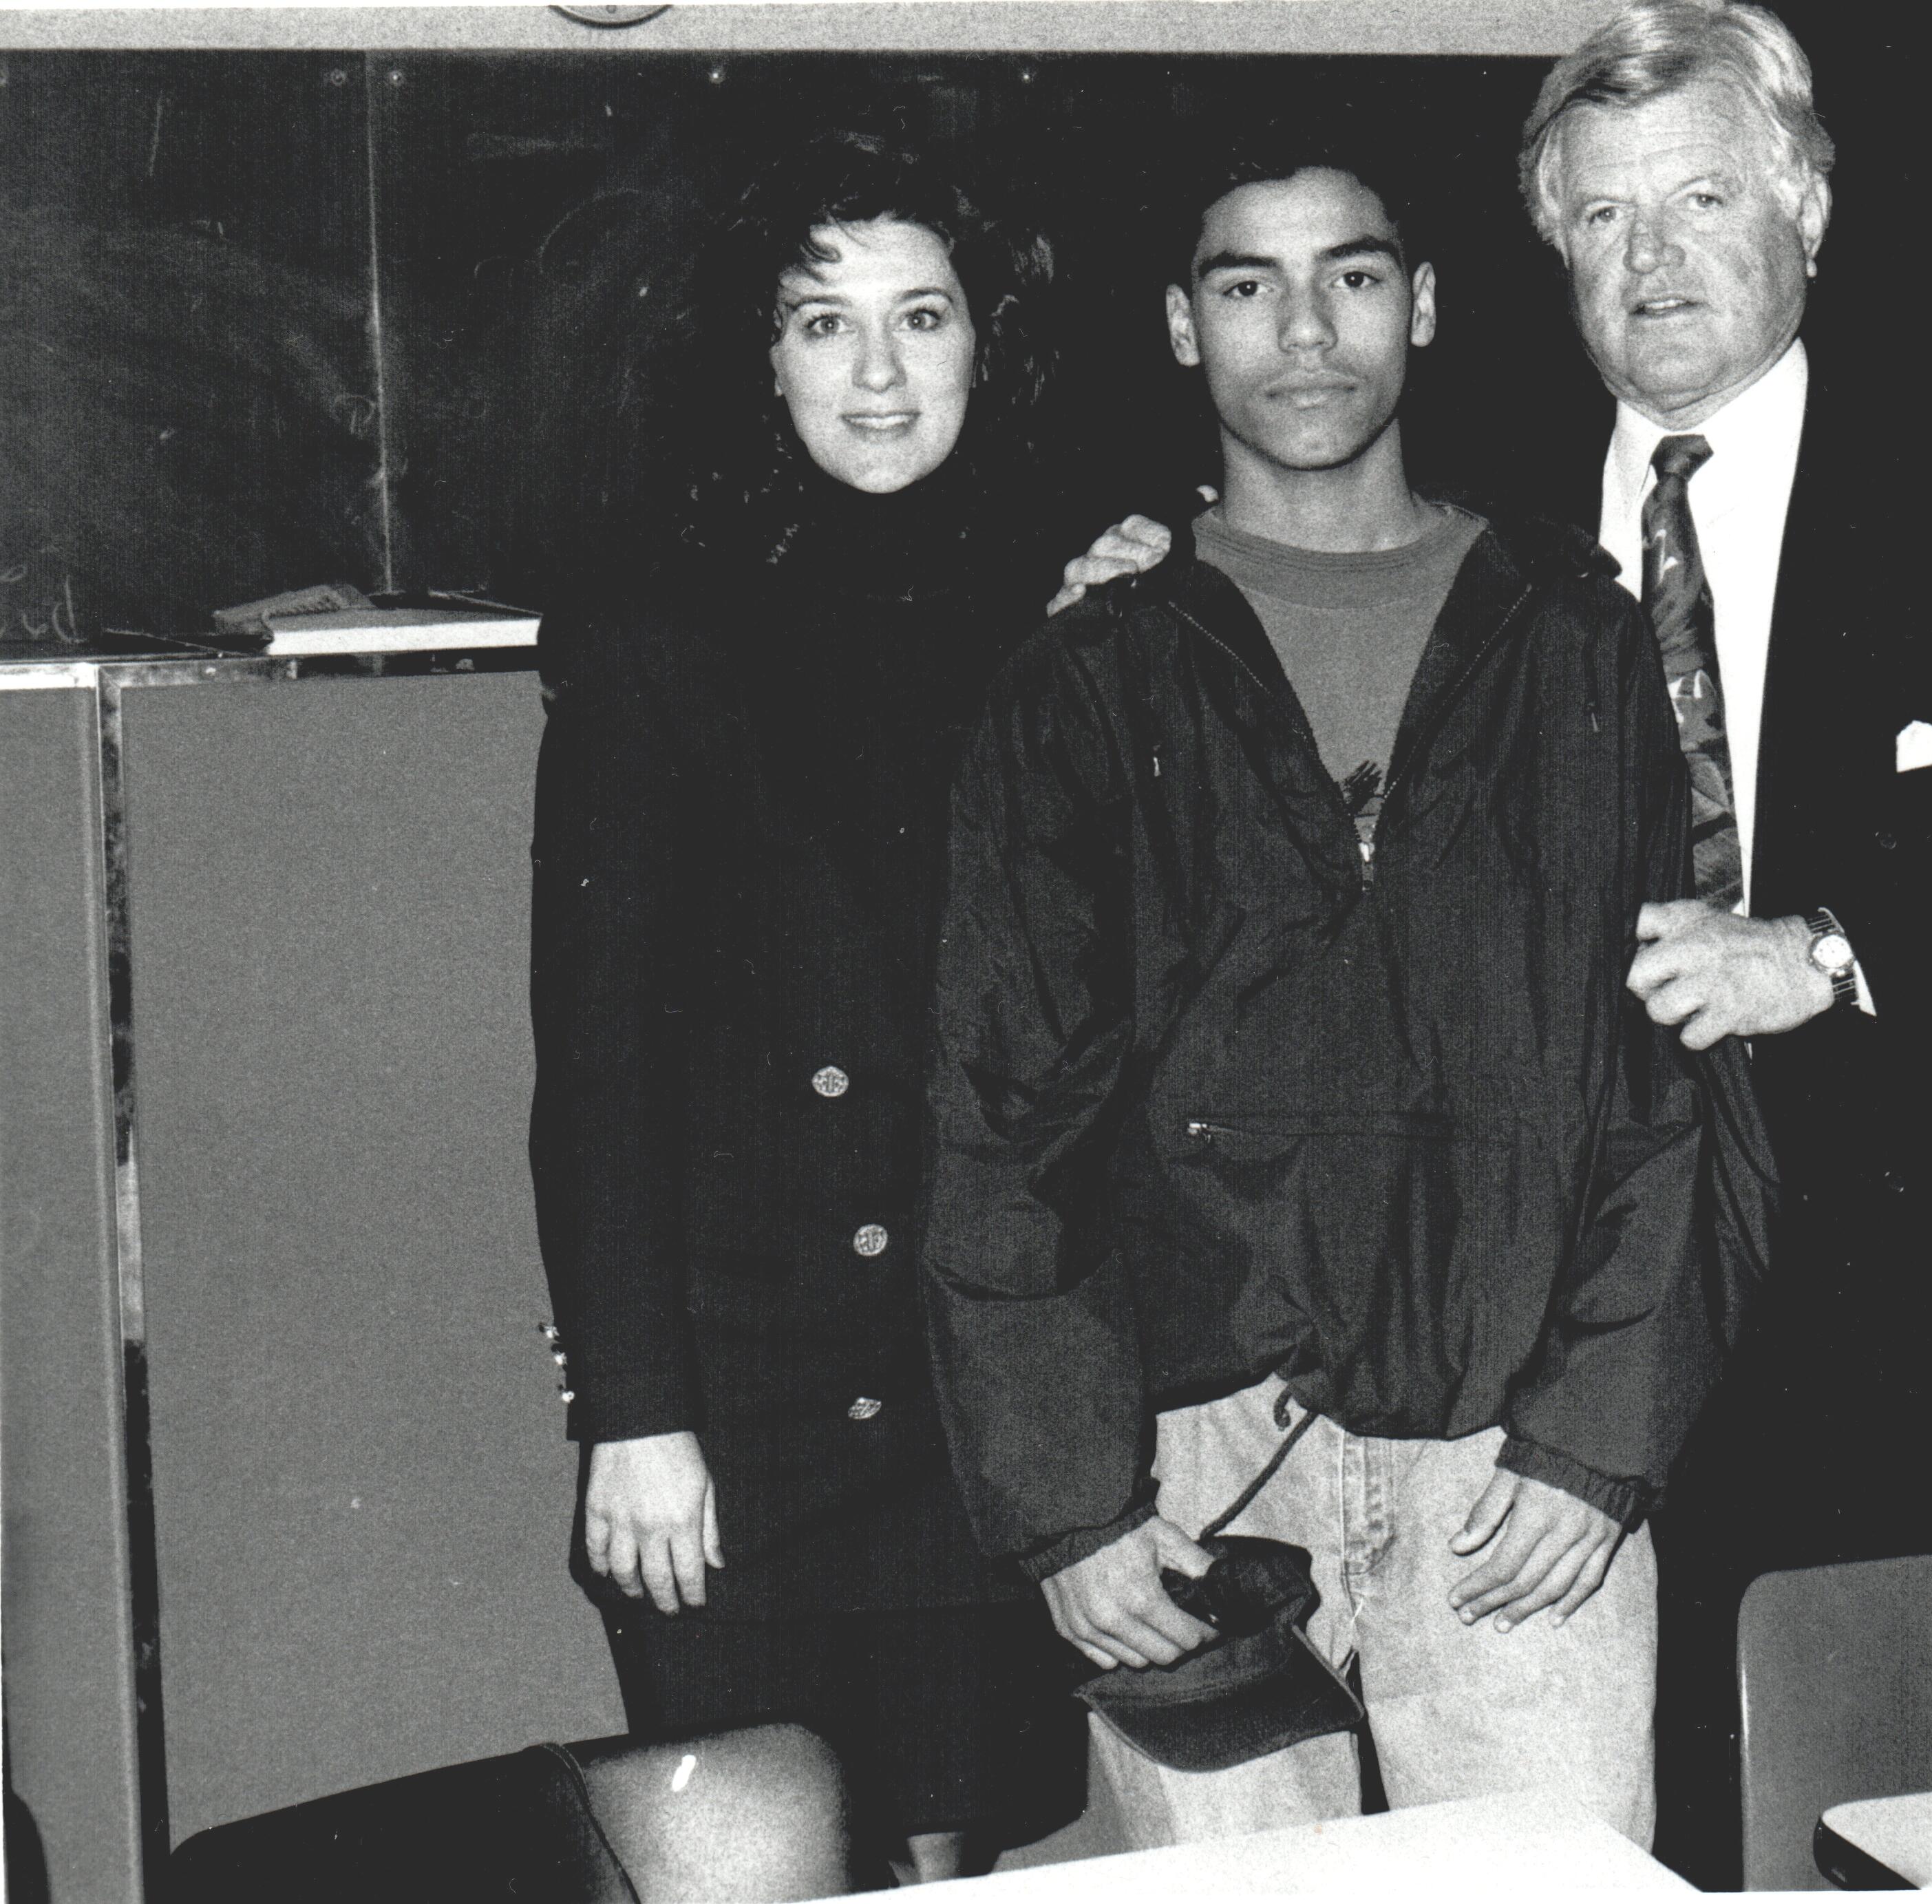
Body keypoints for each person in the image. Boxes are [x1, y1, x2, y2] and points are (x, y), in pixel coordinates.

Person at [918, 142, 1772, 1852]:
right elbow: (1002, 1113)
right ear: (1182, 327)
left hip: (1520, 1466)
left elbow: (1676, 1078)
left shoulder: (1576, 642)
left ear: (1426, 306)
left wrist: (1600, 1438)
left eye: (1354, 277)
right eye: (1248, 286)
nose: (1305, 332)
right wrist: (1070, 1508)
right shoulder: (1091, 676)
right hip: (1199, 1473)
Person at [527, 128, 1083, 1885]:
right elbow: (595, 1056)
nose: (878, 371)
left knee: (945, 1858)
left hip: (964, 1392)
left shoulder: (1072, 612)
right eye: (822, 322)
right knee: (753, 1859)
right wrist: (630, 1409)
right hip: (739, 1407)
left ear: (987, 347)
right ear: (758, 355)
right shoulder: (652, 621)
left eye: (922, 317)